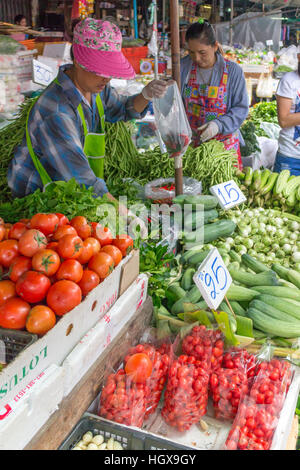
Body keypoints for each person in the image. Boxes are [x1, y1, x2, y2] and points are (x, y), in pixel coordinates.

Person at [8, 18, 170, 201]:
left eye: (109, 70)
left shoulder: (96, 90)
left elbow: (123, 109)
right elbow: (81, 179)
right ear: (77, 60)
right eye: (99, 70)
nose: (106, 78)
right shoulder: (56, 111)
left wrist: (145, 95)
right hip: (37, 196)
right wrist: (125, 214)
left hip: (70, 189)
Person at [180, 20, 249, 169]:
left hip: (225, 148)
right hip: (193, 147)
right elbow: (175, 103)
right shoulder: (183, 67)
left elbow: (241, 109)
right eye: (191, 52)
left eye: (202, 52)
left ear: (215, 46)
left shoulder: (232, 71)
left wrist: (218, 125)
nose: (196, 58)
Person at [274, 47, 300, 175]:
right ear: (299, 57)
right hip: (291, 157)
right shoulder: (289, 81)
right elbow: (283, 120)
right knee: (281, 194)